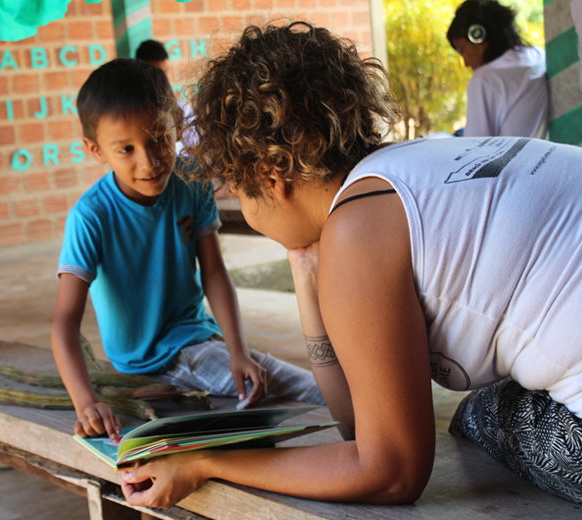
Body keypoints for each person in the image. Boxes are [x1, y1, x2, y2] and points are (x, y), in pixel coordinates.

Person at [121, 22, 582, 507]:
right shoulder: (413, 160)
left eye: (238, 191)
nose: (247, 211)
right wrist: (305, 270)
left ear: (270, 176)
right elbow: (360, 423)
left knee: (477, 418)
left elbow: (389, 470)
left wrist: (204, 462)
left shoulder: (359, 229)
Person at [50, 58, 324, 442]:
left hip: (200, 342)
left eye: (159, 139)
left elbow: (214, 274)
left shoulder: (191, 183)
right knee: (317, 392)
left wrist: (238, 351)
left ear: (177, 124)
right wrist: (85, 403)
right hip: (153, 362)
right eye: (126, 149)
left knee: (292, 387)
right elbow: (64, 323)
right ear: (95, 150)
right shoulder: (91, 216)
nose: (149, 161)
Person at [447, 0, 548, 138]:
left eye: (462, 50)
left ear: (477, 36)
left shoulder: (485, 79)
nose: (465, 62)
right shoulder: (538, 55)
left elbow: (475, 147)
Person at [135, 39, 197, 151]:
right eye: (153, 74)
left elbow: (195, 148)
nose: (159, 79)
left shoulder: (182, 110)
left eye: (163, 73)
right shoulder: (130, 112)